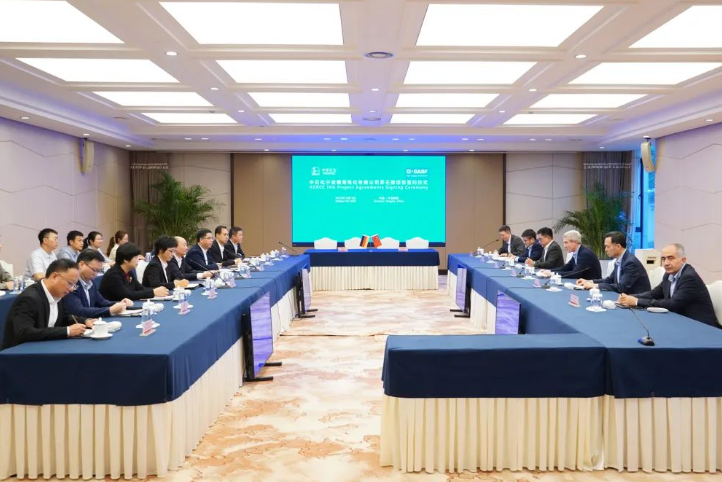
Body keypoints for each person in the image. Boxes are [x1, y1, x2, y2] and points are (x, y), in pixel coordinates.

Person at [618, 244, 719, 327]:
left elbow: (672, 304)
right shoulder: (669, 274)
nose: (666, 263)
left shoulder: (689, 277)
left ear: (683, 260)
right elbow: (654, 294)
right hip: (680, 321)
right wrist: (630, 297)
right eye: (663, 259)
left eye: (671, 258)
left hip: (701, 327)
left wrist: (636, 301)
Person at [2, 259, 94, 349]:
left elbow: (64, 317)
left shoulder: (58, 293)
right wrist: (67, 331)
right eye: (70, 283)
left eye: (74, 285)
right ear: (54, 277)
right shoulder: (29, 298)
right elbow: (24, 333)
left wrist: (85, 321)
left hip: (45, 347)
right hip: (21, 353)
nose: (71, 289)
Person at [64, 249, 133, 318]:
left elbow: (102, 302)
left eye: (98, 271)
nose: (96, 274)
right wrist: (110, 310)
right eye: (94, 270)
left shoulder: (90, 281)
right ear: (81, 264)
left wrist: (120, 304)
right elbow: (79, 311)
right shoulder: (71, 284)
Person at [577, 231, 651, 294]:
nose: (605, 250)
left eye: (608, 247)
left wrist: (595, 286)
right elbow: (610, 280)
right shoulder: (619, 260)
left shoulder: (630, 263)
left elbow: (622, 287)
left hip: (637, 302)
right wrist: (590, 281)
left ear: (618, 246)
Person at [99, 243, 168, 301]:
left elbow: (140, 288)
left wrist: (157, 290)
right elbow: (127, 295)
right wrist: (153, 292)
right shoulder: (113, 275)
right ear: (125, 260)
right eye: (135, 257)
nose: (138, 260)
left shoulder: (129, 271)